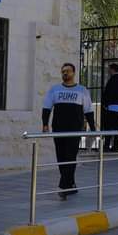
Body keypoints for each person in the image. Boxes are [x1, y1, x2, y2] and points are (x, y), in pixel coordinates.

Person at [42, 62, 96, 200]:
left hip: (75, 129)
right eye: (63, 71)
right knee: (61, 157)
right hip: (58, 128)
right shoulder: (54, 89)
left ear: (74, 73)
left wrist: (93, 128)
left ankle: (63, 187)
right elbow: (47, 107)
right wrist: (45, 124)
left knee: (70, 156)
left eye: (68, 71)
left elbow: (88, 110)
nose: (65, 73)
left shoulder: (82, 90)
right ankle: (71, 185)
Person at [101, 62, 118, 153]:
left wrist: (105, 104)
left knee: (108, 126)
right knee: (117, 126)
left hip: (112, 106)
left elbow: (109, 93)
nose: (108, 71)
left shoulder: (113, 79)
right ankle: (115, 146)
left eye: (109, 69)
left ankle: (106, 146)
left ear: (112, 69)